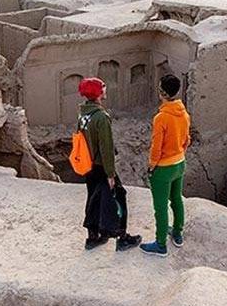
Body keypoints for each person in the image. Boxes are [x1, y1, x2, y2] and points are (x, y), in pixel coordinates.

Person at [77, 77, 141, 252]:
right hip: (101, 166)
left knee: (93, 199)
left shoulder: (83, 114)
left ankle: (93, 237)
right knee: (118, 197)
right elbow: (106, 148)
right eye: (103, 87)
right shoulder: (101, 117)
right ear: (98, 93)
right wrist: (110, 174)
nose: (105, 89)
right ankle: (122, 237)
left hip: (89, 166)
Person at [140, 74, 191, 258]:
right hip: (180, 163)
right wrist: (179, 154)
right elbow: (187, 140)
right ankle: (177, 233)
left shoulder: (161, 117)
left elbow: (156, 147)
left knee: (160, 207)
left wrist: (152, 166)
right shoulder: (184, 113)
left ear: (162, 92)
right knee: (176, 199)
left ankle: (160, 244)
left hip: (164, 168)